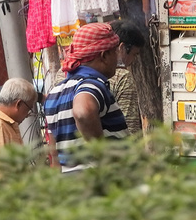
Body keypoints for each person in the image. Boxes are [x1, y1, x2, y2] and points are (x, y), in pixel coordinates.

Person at [42, 23, 131, 168]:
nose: (117, 57)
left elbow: (54, 152)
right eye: (115, 52)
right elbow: (83, 112)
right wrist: (103, 158)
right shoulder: (91, 84)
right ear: (104, 56)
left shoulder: (54, 93)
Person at [109, 19, 149, 135]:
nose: (133, 61)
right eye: (134, 54)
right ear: (122, 48)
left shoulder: (66, 72)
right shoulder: (123, 78)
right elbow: (129, 129)